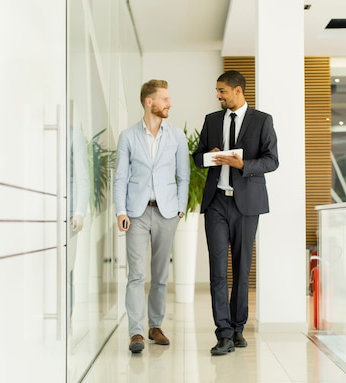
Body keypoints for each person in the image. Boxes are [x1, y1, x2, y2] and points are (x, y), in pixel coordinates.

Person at [192, 70, 279, 355]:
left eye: (222, 91)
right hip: (216, 202)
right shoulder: (212, 120)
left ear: (237, 90)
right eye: (217, 91)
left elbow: (272, 161)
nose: (218, 95)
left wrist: (243, 165)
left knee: (242, 268)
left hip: (247, 204)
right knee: (218, 270)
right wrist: (209, 156)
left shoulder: (262, 120)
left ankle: (239, 327)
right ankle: (224, 333)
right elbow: (197, 156)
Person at [114, 79, 190, 353]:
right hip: (136, 212)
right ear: (150, 102)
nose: (169, 103)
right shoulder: (128, 136)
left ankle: (155, 325)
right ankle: (135, 332)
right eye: (165, 99)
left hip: (167, 212)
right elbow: (121, 177)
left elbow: (184, 175)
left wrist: (180, 207)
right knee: (136, 275)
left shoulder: (177, 137)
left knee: (160, 275)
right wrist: (121, 210)